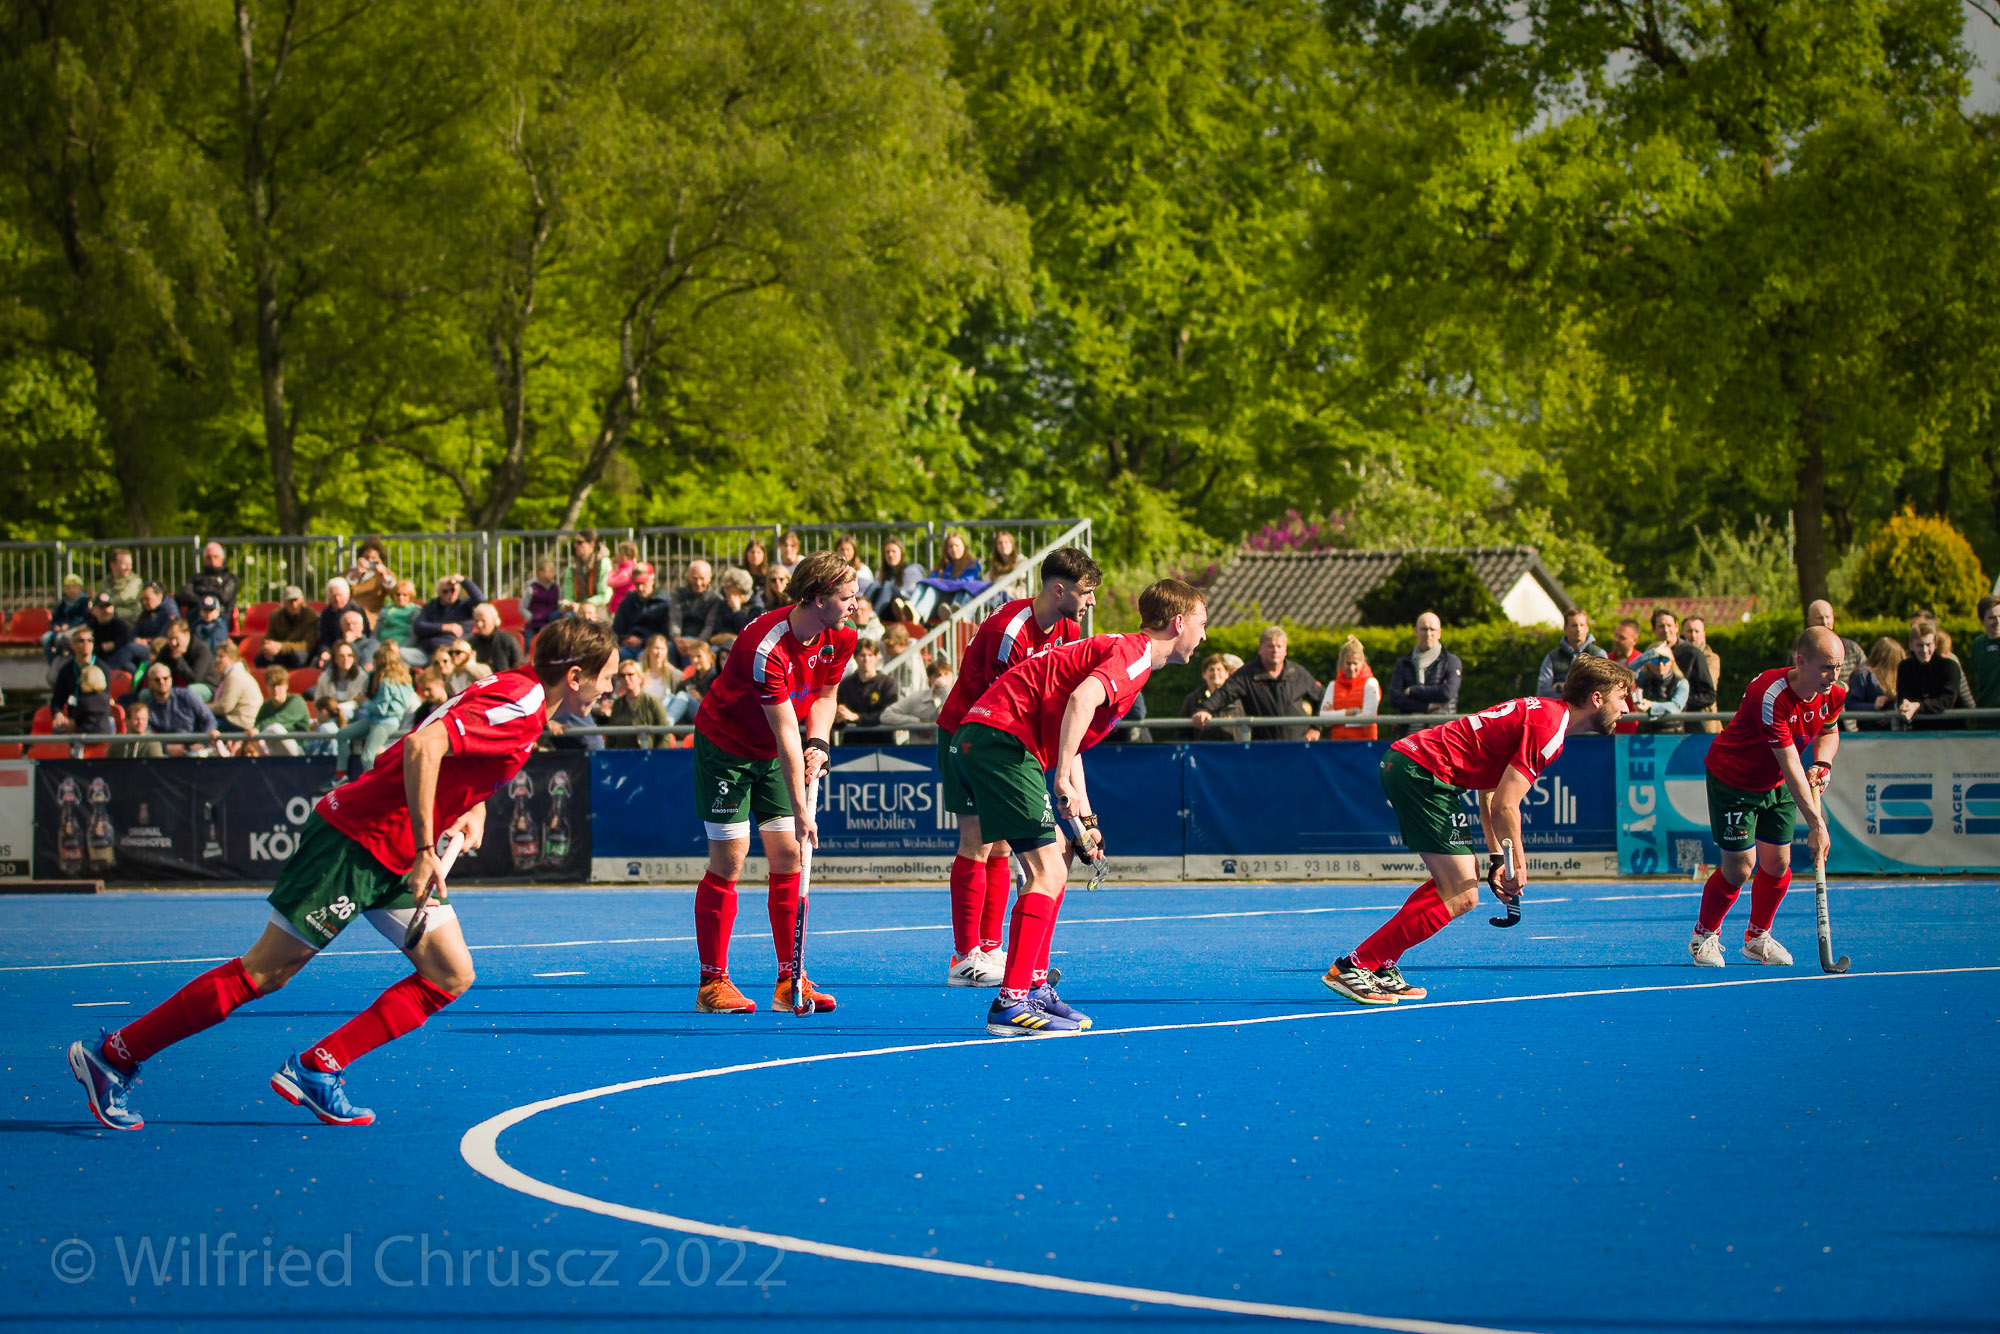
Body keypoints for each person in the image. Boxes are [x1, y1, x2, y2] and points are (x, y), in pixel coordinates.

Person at [66, 618, 617, 1132]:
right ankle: (114, 1056)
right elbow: (423, 745)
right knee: (264, 973)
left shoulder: (521, 694)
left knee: (449, 974)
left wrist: (472, 805)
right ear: (575, 676)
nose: (609, 689)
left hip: (393, 849)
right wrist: (428, 847)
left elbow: (456, 752)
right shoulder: (523, 703)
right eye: (607, 677)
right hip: (360, 841)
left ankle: (317, 1068)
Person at [955, 578, 1207, 1035]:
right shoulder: (1135, 655)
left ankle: (1034, 986)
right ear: (1178, 623)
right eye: (1201, 624)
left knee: (1061, 853)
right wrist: (1060, 778)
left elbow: (1072, 736)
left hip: (996, 739)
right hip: (1002, 741)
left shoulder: (1126, 653)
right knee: (1046, 871)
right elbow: (1081, 700)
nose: (1203, 635)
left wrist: (1085, 822)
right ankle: (1011, 1002)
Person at [1323, 656, 1636, 1004]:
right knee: (1462, 895)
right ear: (1596, 698)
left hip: (1413, 765)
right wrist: (1518, 866)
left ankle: (1380, 963)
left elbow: (1490, 793)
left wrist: (1499, 858)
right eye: (1621, 697)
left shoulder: (1546, 714)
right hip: (1422, 773)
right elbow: (1506, 805)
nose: (1626, 708)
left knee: (1454, 885)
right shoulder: (1550, 730)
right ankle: (1355, 965)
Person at [687, 550, 859, 1017]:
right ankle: (712, 983)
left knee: (788, 856)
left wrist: (819, 743)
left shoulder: (842, 635)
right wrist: (803, 812)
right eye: (847, 596)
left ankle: (790, 979)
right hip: (727, 750)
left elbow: (825, 695)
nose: (855, 605)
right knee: (731, 858)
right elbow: (785, 734)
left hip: (772, 752)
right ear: (818, 598)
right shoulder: (767, 647)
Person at [931, 547, 1099, 986]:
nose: (1092, 601)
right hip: (971, 733)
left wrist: (1080, 806)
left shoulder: (1068, 627)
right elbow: (1001, 708)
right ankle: (964, 957)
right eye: (1086, 592)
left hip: (1011, 736)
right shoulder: (1010, 631)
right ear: (1058, 590)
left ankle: (990, 949)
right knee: (977, 840)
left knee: (1004, 844)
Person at [1688, 627, 1847, 969]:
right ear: (1801, 661)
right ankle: (1704, 935)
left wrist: (1823, 763)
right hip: (1735, 781)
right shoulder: (1770, 694)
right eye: (1825, 667)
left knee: (1778, 864)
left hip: (1777, 783)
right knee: (1740, 867)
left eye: (1838, 667)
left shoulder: (1833, 693)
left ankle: (1757, 937)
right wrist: (1817, 824)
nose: (1833, 676)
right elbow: (1789, 763)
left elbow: (1829, 731)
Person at [1191, 625, 1323, 741]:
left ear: (1285, 650)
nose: (1275, 650)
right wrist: (1205, 710)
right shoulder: (1246, 675)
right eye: (1270, 646)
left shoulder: (1298, 673)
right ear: (1260, 649)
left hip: (1298, 747)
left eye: (1279, 646)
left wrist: (1316, 727)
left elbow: (1323, 696)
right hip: (1263, 750)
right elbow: (1224, 693)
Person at [331, 646, 418, 782]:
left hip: (385, 723)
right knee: (342, 734)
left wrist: (364, 702)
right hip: (374, 720)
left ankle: (371, 785)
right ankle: (341, 775)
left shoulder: (387, 682)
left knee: (368, 757)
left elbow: (382, 709)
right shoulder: (405, 680)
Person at [134, 661, 220, 756]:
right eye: (157, 680)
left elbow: (208, 719)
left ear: (171, 679)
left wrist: (202, 742)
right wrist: (165, 747)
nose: (162, 682)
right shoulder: (149, 708)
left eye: (165, 678)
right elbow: (148, 734)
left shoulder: (186, 695)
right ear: (150, 683)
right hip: (166, 754)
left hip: (195, 750)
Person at [1387, 612, 1462, 720]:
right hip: (1409, 727)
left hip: (1440, 726)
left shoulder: (1451, 661)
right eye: (1424, 629)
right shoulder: (1404, 663)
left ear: (1439, 633)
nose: (1428, 634)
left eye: (1433, 629)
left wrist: (1412, 691)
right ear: (1416, 631)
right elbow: (1394, 698)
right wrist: (1426, 706)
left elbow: (1447, 693)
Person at [1895, 623, 1963, 728]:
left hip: (1949, 729)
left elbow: (1947, 700)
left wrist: (1918, 706)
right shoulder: (1905, 667)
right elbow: (1903, 696)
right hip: (1918, 730)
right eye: (1920, 645)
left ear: (1935, 644)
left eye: (1928, 645)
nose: (1925, 650)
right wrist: (1906, 705)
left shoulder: (1949, 667)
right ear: (1911, 645)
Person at [1650, 608, 1716, 716]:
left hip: (1686, 721)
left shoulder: (1693, 654)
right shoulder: (1651, 653)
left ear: (1676, 627)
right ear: (1654, 630)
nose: (1666, 630)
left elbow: (1709, 695)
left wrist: (1677, 703)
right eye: (1661, 626)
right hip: (1655, 721)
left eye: (1669, 625)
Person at [835, 639, 901, 744]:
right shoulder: (846, 684)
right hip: (853, 744)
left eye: (870, 655)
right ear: (855, 657)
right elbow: (840, 714)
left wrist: (857, 717)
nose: (866, 659)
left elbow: (888, 714)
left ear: (876, 658)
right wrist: (839, 718)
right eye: (862, 655)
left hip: (882, 743)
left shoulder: (888, 684)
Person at [1537, 607, 1606, 698]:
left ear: (1587, 628)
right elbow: (1543, 691)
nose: (1578, 629)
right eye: (1574, 625)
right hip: (1559, 706)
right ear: (1565, 628)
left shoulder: (1598, 655)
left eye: (1582, 625)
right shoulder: (1552, 657)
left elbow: (1603, 689)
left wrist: (1562, 687)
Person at [1320, 636, 1380, 740]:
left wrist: (1335, 716)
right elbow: (1324, 718)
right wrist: (1349, 713)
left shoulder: (1371, 683)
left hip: (1364, 744)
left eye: (1355, 663)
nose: (1352, 668)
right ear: (1342, 663)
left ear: (1362, 663)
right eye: (1348, 663)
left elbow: (1368, 718)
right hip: (1338, 743)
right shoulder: (1333, 685)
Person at [1181, 651, 1248, 742]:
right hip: (1204, 749)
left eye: (1219, 669)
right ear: (1203, 674)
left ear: (1227, 674)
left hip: (1235, 748)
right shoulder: (1192, 699)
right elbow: (1183, 731)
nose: (1215, 673)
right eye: (1211, 670)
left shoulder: (1239, 698)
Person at [413, 573, 486, 656]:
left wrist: (463, 580)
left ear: (458, 591)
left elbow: (481, 601)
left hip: (455, 652)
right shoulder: (431, 606)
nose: (450, 594)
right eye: (445, 591)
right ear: (439, 592)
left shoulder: (466, 604)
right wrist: (444, 627)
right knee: (401, 655)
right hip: (427, 651)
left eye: (453, 590)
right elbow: (419, 626)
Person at [604, 658, 669, 747]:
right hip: (621, 753)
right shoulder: (618, 704)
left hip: (646, 753)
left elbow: (664, 735)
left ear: (639, 678)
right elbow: (611, 737)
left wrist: (656, 755)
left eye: (630, 674)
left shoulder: (652, 702)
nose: (626, 678)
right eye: (622, 676)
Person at [613, 562, 673, 658]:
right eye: (637, 584)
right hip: (628, 646)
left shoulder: (664, 603)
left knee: (643, 656)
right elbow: (617, 629)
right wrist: (626, 638)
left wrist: (643, 641)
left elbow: (666, 634)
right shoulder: (627, 602)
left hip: (653, 646)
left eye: (643, 583)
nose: (640, 588)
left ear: (652, 580)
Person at [209, 641, 264, 743]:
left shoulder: (235, 675)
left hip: (241, 724)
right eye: (217, 656)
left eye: (221, 656)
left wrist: (204, 708)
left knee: (203, 722)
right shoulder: (233, 674)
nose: (217, 659)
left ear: (232, 658)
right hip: (236, 720)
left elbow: (225, 707)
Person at [1804, 600, 1865, 690]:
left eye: (1827, 617)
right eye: (1819, 618)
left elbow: (1866, 676)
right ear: (1809, 621)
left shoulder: (1852, 648)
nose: (1824, 622)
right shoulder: (1803, 649)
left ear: (1833, 618)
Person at [882, 658, 955, 731]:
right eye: (937, 675)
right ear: (930, 679)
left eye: (946, 674)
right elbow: (886, 715)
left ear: (952, 676)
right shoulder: (917, 698)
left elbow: (952, 716)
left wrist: (944, 690)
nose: (942, 678)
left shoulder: (959, 698)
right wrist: (916, 721)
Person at [254, 664, 311, 756]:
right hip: (273, 753)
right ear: (266, 686)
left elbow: (279, 719)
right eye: (272, 686)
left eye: (279, 685)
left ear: (286, 686)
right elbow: (256, 725)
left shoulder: (296, 701)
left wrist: (257, 729)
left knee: (275, 729)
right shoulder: (266, 706)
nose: (276, 689)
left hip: (298, 753)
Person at [177, 541, 240, 623]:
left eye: (215, 556)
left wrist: (200, 590)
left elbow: (224, 596)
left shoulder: (231, 578)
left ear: (222, 559)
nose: (212, 560)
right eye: (209, 557)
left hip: (220, 620)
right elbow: (184, 595)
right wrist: (204, 601)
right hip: (195, 619)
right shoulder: (196, 578)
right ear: (204, 559)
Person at [259, 586, 319, 669]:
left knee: (297, 656)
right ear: (284, 602)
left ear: (302, 600)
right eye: (290, 601)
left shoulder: (311, 616)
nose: (294, 604)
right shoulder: (275, 616)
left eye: (296, 600)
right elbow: (269, 637)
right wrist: (267, 647)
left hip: (301, 653)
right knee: (260, 659)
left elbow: (307, 645)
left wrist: (281, 647)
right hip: (281, 653)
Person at [49, 628, 101, 723]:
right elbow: (57, 699)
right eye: (81, 641)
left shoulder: (101, 668)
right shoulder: (66, 670)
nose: (86, 644)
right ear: (73, 645)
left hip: (95, 720)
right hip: (72, 718)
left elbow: (102, 700)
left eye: (90, 640)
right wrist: (58, 714)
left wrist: (76, 723)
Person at [155, 618, 215, 699]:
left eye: (176, 638)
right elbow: (155, 666)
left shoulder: (201, 649)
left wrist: (178, 658)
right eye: (170, 639)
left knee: (190, 691)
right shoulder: (167, 649)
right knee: (146, 693)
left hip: (205, 685)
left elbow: (195, 679)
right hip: (175, 688)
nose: (173, 643)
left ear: (187, 635)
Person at [312, 641, 368, 726]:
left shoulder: (362, 677)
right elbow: (318, 702)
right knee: (326, 729)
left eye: (349, 655)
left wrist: (340, 709)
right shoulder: (325, 678)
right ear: (335, 659)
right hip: (331, 717)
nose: (346, 659)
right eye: (341, 656)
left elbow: (361, 703)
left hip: (354, 716)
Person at [1683, 616, 1724, 733]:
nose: (1693, 635)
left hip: (1706, 720)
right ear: (1681, 634)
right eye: (1689, 631)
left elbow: (1707, 687)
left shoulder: (1712, 659)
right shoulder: (1675, 655)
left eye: (1697, 631)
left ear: (1703, 635)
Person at [870, 537, 926, 621]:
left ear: (901, 554)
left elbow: (913, 595)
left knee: (888, 586)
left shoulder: (912, 570)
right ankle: (858, 613)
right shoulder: (881, 573)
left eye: (894, 551)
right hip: (887, 609)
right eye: (887, 552)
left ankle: (872, 617)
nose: (890, 555)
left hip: (905, 607)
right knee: (874, 585)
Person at [85, 594, 142, 674]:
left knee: (130, 667)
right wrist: (101, 647)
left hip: (117, 662)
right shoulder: (90, 628)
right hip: (96, 661)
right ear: (94, 611)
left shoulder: (121, 626)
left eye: (108, 607)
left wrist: (113, 645)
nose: (105, 611)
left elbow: (125, 646)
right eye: (101, 608)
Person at [1632, 642, 1688, 724]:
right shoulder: (1644, 679)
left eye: (1665, 659)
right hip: (1646, 729)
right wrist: (1651, 653)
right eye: (1655, 660)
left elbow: (1676, 707)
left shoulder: (1681, 682)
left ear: (1671, 662)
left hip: (1672, 729)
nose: (1661, 664)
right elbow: (1629, 670)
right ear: (1648, 663)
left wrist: (1650, 705)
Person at [52, 664, 113, 738]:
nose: (79, 680)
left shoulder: (83, 700)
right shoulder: (106, 698)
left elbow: (77, 721)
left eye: (82, 678)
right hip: (106, 734)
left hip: (85, 737)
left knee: (58, 731)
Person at [316, 578, 370, 660]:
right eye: (334, 596)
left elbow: (366, 633)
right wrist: (325, 651)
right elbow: (324, 638)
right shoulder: (326, 614)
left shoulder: (357, 610)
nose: (337, 599)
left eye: (339, 595)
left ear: (347, 595)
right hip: (333, 651)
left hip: (355, 650)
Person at [1849, 636, 1902, 717]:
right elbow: (1851, 705)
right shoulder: (1862, 674)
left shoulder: (1898, 674)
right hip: (1870, 723)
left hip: (1895, 722)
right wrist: (1873, 706)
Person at [343, 539, 397, 618]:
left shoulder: (386, 573)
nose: (370, 560)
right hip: (349, 613)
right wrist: (356, 575)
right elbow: (340, 590)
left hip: (372, 614)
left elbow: (396, 594)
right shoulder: (350, 571)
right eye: (366, 557)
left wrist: (384, 577)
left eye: (373, 558)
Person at [376, 580, 425, 667]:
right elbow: (376, 632)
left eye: (405, 595)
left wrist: (397, 649)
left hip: (403, 648)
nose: (401, 597)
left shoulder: (415, 611)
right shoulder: (385, 610)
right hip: (382, 646)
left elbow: (413, 637)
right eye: (398, 594)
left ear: (410, 596)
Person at [42, 574, 89, 661]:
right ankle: (53, 662)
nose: (71, 590)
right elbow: (55, 618)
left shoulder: (84, 602)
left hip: (76, 628)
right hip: (61, 629)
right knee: (46, 638)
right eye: (68, 587)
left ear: (80, 588)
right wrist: (55, 626)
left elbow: (83, 618)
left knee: (61, 638)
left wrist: (69, 626)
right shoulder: (63, 603)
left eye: (74, 587)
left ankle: (63, 662)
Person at [702, 566, 756, 640]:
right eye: (725, 588)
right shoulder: (724, 604)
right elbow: (718, 627)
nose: (726, 591)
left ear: (739, 588)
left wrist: (736, 610)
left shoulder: (754, 606)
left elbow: (746, 631)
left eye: (729, 588)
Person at [468, 603, 524, 674]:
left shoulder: (507, 640)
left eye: (483, 620)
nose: (479, 624)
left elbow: (519, 665)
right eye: (476, 621)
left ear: (494, 620)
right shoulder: (472, 643)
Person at [566, 529, 613, 614]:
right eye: (575, 542)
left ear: (591, 544)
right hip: (575, 610)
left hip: (600, 608)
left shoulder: (603, 563)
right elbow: (568, 596)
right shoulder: (572, 567)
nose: (575, 545)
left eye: (579, 542)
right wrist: (569, 604)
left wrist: (585, 604)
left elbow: (605, 595)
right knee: (557, 616)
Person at [673, 560, 720, 641]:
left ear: (709, 578)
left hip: (704, 642)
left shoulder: (715, 599)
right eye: (695, 578)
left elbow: (710, 625)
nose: (698, 583)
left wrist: (698, 642)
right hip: (680, 640)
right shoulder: (678, 594)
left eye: (702, 579)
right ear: (688, 576)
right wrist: (676, 638)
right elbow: (674, 619)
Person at [521, 557, 564, 641]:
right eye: (550, 571)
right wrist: (531, 617)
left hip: (550, 623)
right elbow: (522, 607)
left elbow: (559, 605)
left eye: (553, 571)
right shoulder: (532, 589)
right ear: (541, 573)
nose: (553, 573)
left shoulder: (556, 588)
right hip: (533, 625)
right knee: (529, 644)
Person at [132, 580, 180, 650]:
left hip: (157, 649)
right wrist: (134, 640)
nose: (144, 602)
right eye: (142, 599)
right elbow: (136, 631)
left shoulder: (170, 612)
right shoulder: (148, 610)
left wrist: (147, 641)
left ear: (159, 596)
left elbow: (164, 635)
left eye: (147, 599)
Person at [99, 548, 143, 624]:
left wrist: (108, 600)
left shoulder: (136, 581)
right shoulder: (106, 582)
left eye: (130, 564)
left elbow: (124, 598)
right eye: (125, 564)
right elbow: (100, 600)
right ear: (112, 565)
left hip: (130, 621)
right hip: (108, 620)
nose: (129, 567)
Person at [1971, 595, 2000, 709]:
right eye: (1992, 617)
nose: (1997, 621)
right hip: (1984, 710)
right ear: (1981, 620)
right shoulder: (1977, 644)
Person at [605, 540, 641, 613]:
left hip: (621, 608)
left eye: (618, 553)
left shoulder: (627, 572)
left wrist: (611, 569)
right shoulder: (625, 569)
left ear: (623, 556)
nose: (615, 556)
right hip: (620, 606)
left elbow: (609, 581)